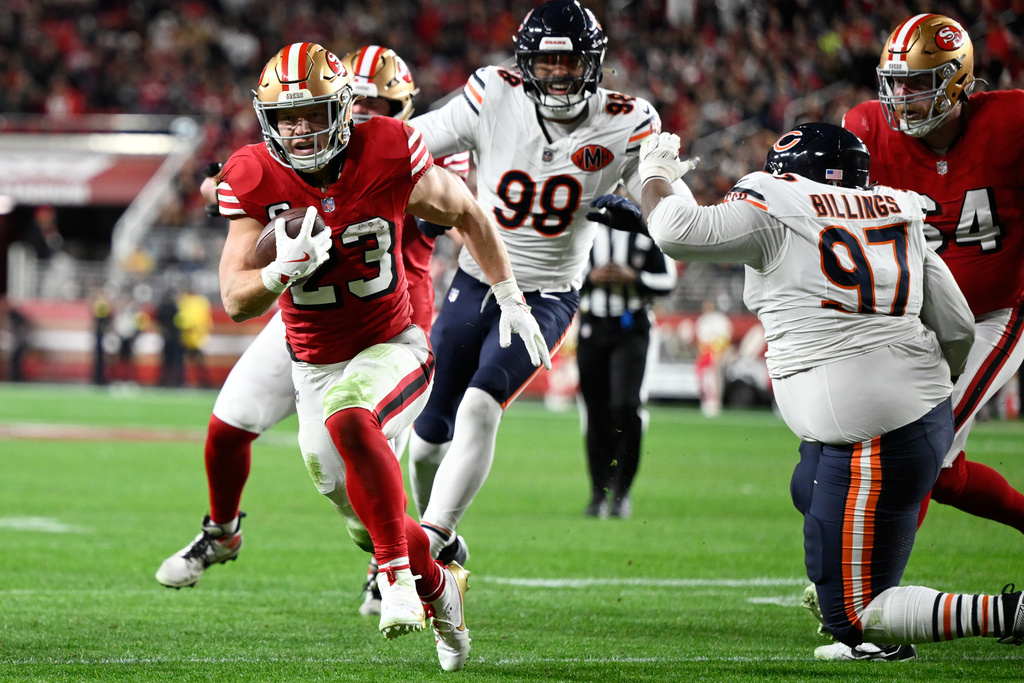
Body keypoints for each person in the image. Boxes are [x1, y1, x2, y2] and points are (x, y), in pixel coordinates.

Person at [206, 41, 546, 670]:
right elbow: (234, 299)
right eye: (288, 118)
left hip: (394, 343)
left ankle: (394, 579)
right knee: (358, 505)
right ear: (267, 120)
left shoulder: (387, 148)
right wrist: (278, 272)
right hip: (314, 361)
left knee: (350, 413)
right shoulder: (253, 175)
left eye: (312, 113)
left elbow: (468, 212)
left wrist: (509, 295)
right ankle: (441, 584)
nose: (300, 129)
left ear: (341, 110)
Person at [639, 122, 1023, 660]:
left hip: (880, 438)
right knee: (809, 486)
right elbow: (957, 325)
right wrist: (927, 389)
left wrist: (653, 172)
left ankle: (1012, 613)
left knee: (854, 615)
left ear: (792, 175)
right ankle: (877, 630)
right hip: (903, 419)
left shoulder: (779, 200)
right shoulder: (896, 209)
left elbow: (677, 230)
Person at [155, 45, 471, 618]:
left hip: (389, 324)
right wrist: (229, 196)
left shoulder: (408, 154)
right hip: (308, 317)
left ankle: (400, 559)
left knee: (367, 442)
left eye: (385, 105)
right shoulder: (301, 146)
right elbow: (251, 195)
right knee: (229, 425)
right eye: (363, 102)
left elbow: (466, 217)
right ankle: (222, 532)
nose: (373, 114)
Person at [404, 0, 696, 564]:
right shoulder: (493, 94)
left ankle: (433, 543)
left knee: (481, 407)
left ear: (593, 63)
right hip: (474, 283)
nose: (559, 73)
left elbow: (670, 203)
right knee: (426, 439)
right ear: (525, 62)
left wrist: (651, 213)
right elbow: (410, 141)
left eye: (570, 62)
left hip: (547, 294)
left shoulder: (628, 119)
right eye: (548, 61)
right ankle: (436, 530)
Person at [842, 13, 1024, 543]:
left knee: (922, 447)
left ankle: (873, 585)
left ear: (957, 79)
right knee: (943, 473)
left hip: (995, 312)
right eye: (895, 83)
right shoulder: (868, 128)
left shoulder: (1011, 121)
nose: (903, 97)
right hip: (916, 319)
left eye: (919, 83)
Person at [577, 194, 677, 518]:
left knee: (625, 407)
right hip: (593, 324)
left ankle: (621, 491)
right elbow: (564, 277)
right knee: (595, 412)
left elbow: (668, 280)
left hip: (631, 327)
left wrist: (635, 277)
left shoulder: (646, 229)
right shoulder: (585, 228)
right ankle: (597, 491)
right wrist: (590, 278)